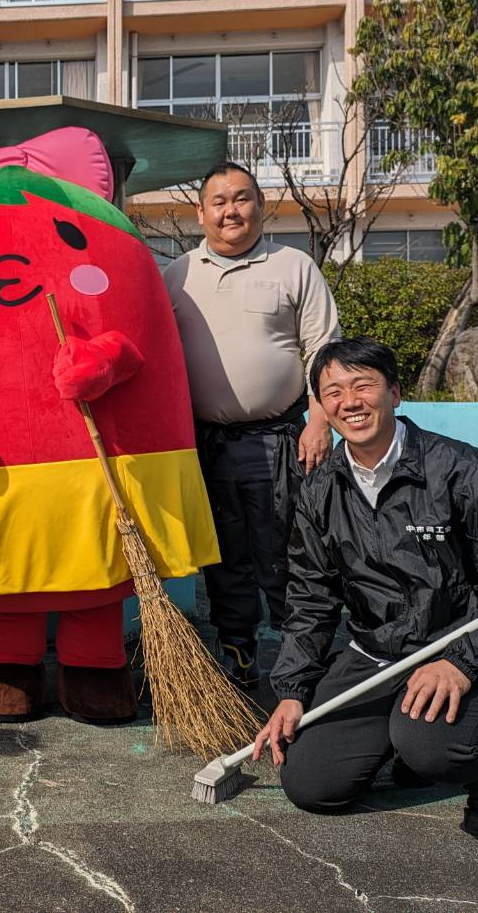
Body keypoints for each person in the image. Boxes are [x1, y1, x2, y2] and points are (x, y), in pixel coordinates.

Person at [254, 338, 478, 838]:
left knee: (436, 749)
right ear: (320, 407)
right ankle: (402, 739)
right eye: (333, 392)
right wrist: (293, 690)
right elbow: (310, 600)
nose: (350, 401)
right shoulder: (320, 491)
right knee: (312, 785)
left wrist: (462, 662)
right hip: (377, 655)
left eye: (363, 385)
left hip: (467, 650)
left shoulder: (467, 470)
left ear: (395, 394)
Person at [162, 161, 340, 686]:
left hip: (281, 440)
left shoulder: (294, 265)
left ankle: (301, 661)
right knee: (223, 557)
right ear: (200, 213)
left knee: (287, 553)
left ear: (261, 207)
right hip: (206, 445)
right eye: (219, 201)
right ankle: (238, 652)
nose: (231, 210)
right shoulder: (177, 275)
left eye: (242, 198)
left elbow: (324, 349)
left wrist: (319, 419)